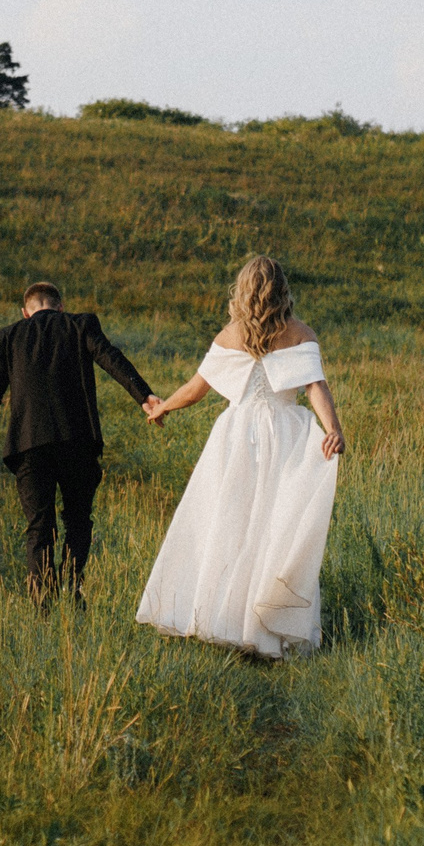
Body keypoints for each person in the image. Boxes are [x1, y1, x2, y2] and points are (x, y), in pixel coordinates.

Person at [135, 254, 345, 659]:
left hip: (237, 437)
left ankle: (226, 621)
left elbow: (196, 390)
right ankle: (266, 630)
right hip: (283, 435)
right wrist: (332, 428)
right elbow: (315, 387)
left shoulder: (230, 334)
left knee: (229, 524)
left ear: (242, 291)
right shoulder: (299, 332)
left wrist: (163, 408)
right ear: (282, 290)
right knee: (275, 526)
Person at [0, 281, 161, 608]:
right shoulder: (80, 324)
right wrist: (143, 396)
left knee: (39, 527)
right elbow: (110, 358)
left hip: (28, 446)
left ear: (25, 311)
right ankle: (72, 589)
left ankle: (44, 608)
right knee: (78, 520)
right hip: (78, 441)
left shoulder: (7, 337)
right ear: (60, 306)